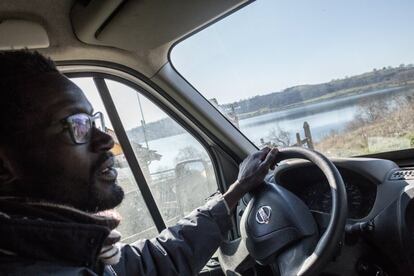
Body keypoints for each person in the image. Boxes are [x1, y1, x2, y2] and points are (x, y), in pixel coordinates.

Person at [0, 50, 278, 275]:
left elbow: (148, 263)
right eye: (76, 125)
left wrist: (236, 191)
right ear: (4, 167)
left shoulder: (72, 251)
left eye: (93, 120)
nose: (107, 140)